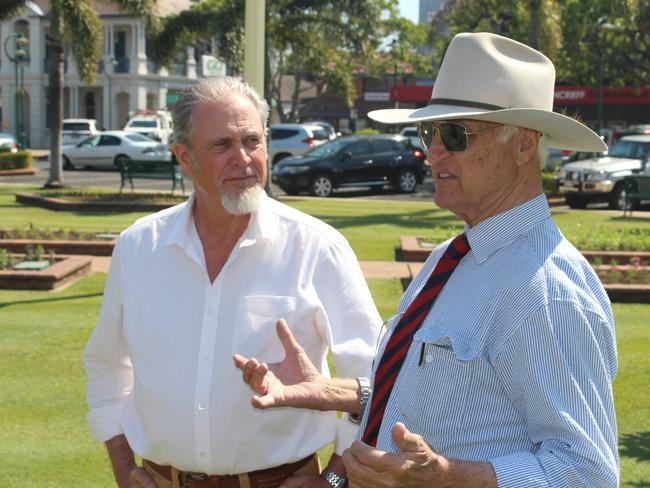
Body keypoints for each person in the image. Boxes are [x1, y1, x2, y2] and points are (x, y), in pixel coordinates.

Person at [234, 33, 619, 487]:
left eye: (455, 134)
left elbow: (588, 474)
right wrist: (329, 391)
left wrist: (446, 476)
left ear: (523, 146)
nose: (434, 151)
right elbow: (437, 393)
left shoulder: (546, 292)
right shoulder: (455, 258)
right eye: (429, 132)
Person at [84, 77, 382, 488]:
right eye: (222, 145)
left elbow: (376, 379)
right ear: (184, 157)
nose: (243, 158)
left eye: (252, 141)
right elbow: (106, 365)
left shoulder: (317, 246)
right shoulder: (139, 247)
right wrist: (124, 469)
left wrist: (335, 478)